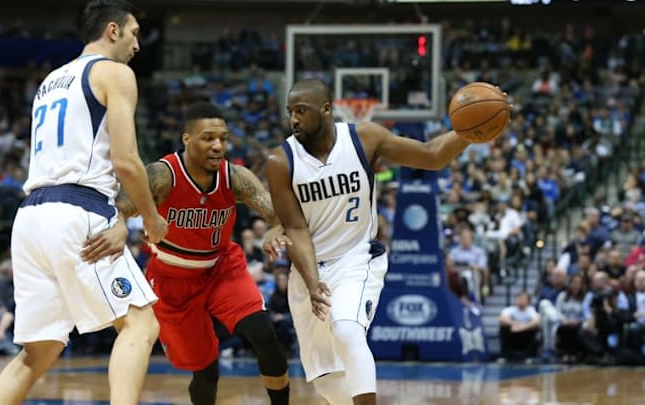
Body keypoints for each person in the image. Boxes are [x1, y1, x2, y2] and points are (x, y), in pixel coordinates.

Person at [265, 78, 505, 405]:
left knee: (348, 331)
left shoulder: (364, 137)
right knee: (327, 380)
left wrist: (470, 129)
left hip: (356, 259)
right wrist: (312, 281)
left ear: (325, 109)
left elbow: (431, 156)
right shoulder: (280, 162)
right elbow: (295, 229)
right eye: (290, 112)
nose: (293, 119)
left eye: (301, 111)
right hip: (308, 269)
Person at [0, 1, 168, 404]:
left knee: (39, 350)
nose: (138, 44)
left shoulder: (50, 80)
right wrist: (152, 219)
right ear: (113, 30)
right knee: (140, 325)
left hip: (31, 218)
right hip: (77, 211)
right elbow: (126, 161)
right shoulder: (115, 73)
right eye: (135, 33)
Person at [94, 102, 291, 405]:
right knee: (206, 371)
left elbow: (273, 210)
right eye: (208, 138)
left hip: (221, 266)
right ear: (187, 139)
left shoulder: (235, 176)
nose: (218, 146)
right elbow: (120, 206)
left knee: (263, 334)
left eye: (223, 138)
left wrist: (276, 227)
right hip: (172, 279)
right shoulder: (164, 175)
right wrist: (120, 225)